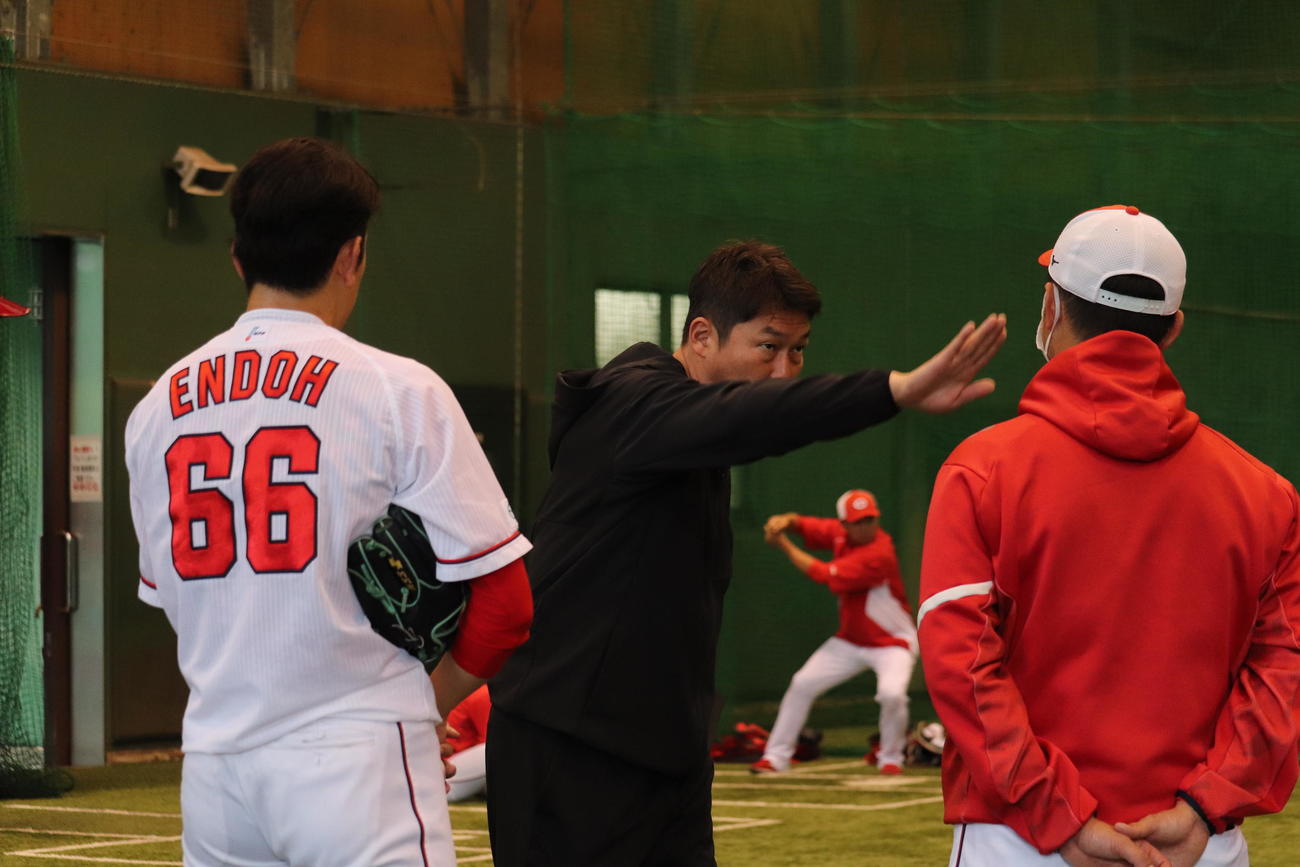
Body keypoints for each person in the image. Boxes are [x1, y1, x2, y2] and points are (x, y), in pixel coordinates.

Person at [488, 240, 1007, 865]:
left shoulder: (688, 429)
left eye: (799, 351)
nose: (786, 370)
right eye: (769, 347)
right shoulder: (632, 401)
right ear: (702, 335)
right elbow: (752, 415)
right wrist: (891, 390)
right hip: (568, 751)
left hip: (665, 756)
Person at [125, 137, 533, 866]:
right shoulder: (399, 390)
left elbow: (175, 599)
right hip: (358, 756)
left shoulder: (156, 409)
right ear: (352, 254)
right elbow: (507, 607)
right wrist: (424, 705)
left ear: (237, 258)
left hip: (217, 770)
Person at [917, 205, 1300, 867]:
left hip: (1023, 839)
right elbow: (1283, 669)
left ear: (1050, 307)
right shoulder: (1266, 492)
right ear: (1173, 328)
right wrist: (1208, 803)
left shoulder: (981, 468)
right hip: (1196, 841)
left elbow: (962, 668)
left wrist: (1057, 813)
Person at [751, 489, 917, 775]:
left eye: (870, 519)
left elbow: (824, 575)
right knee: (802, 683)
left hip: (893, 643)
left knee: (891, 694)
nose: (866, 526)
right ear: (844, 524)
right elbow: (801, 522)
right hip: (850, 641)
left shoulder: (880, 554)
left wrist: (783, 544)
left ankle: (890, 758)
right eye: (858, 521)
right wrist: (781, 522)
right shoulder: (839, 534)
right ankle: (776, 757)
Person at [445, 684, 491, 802]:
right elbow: (492, 744)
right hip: (446, 774)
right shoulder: (485, 693)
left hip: (452, 769)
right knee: (498, 749)